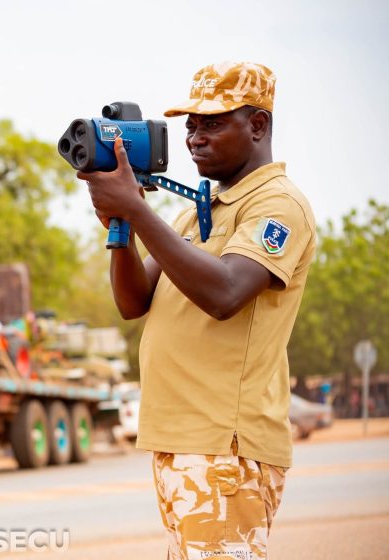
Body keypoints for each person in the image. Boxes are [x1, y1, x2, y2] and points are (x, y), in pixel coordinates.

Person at [78, 61, 316, 559]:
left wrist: (140, 211)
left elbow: (226, 294)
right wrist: (120, 225)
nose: (194, 138)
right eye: (189, 126)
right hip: (183, 440)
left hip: (225, 446)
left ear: (257, 126)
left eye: (212, 124)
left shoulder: (278, 206)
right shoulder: (197, 213)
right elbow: (132, 302)